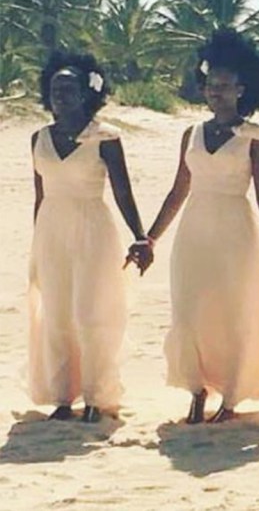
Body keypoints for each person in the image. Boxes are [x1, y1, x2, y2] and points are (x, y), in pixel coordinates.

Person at [134, 29, 259, 424]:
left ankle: (231, 398)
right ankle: (197, 389)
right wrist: (149, 236)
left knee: (233, 312)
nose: (216, 92)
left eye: (225, 85)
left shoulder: (257, 137)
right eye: (211, 85)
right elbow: (178, 190)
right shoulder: (192, 133)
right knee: (191, 310)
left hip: (236, 231)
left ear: (241, 88)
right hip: (194, 232)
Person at [29, 51, 150, 423]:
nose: (61, 96)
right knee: (58, 315)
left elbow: (123, 192)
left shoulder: (105, 138)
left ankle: (96, 396)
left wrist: (141, 236)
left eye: (69, 88)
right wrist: (37, 245)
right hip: (52, 232)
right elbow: (40, 195)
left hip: (93, 230)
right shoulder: (38, 138)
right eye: (55, 89)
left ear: (86, 93)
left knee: (90, 312)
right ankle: (63, 396)